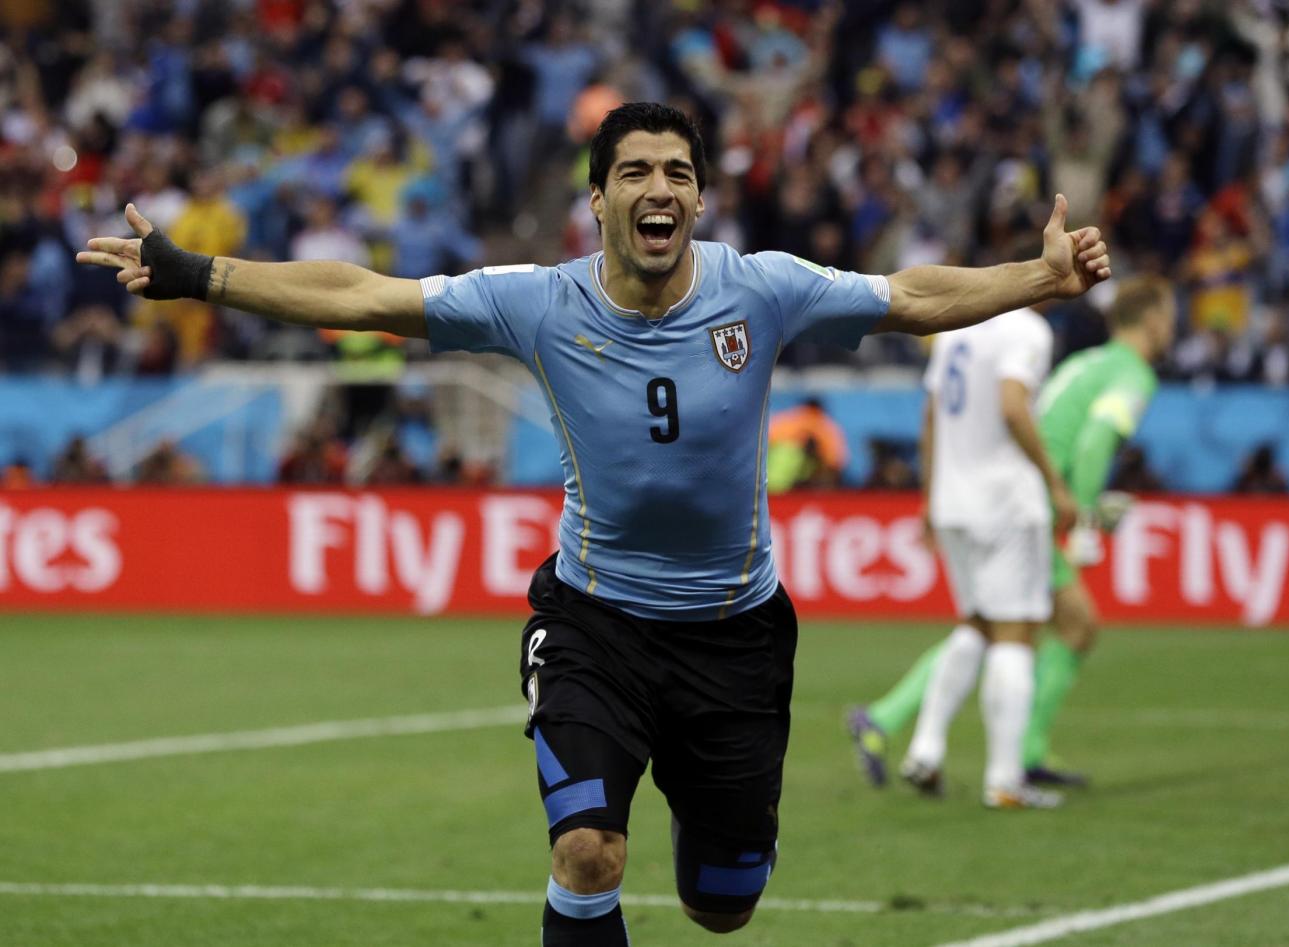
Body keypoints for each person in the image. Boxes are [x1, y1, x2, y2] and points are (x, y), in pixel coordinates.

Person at [79, 102, 1111, 945]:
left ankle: (713, 832)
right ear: (598, 199)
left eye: (677, 172)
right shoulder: (536, 302)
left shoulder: (762, 289)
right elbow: (361, 293)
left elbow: (909, 295)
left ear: (698, 198)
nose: (659, 187)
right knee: (586, 852)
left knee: (723, 904)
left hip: (733, 635)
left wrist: (1041, 277)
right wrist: (197, 273)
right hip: (594, 623)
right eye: (635, 172)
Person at [850, 276, 1173, 790]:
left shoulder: (1088, 361)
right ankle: (1014, 761)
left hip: (975, 494)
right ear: (1153, 320)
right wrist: (1083, 514)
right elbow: (1092, 441)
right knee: (1037, 628)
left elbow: (939, 412)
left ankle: (897, 727)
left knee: (988, 624)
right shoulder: (1126, 371)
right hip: (1023, 503)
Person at [854, 302, 1077, 810]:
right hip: (1005, 502)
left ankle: (926, 750)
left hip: (954, 500)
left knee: (976, 624)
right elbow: (1013, 405)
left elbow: (931, 414)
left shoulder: (959, 328)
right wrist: (1055, 483)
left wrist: (930, 497)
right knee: (1016, 633)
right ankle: (1005, 780)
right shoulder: (1028, 328)